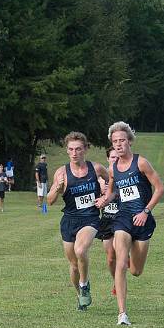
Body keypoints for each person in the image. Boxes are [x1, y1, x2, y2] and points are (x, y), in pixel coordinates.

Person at [96, 121, 164, 326]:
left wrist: (145, 211)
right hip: (123, 218)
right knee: (120, 262)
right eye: (115, 141)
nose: (118, 144)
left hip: (142, 219)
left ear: (129, 141)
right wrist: (105, 200)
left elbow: (160, 188)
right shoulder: (113, 168)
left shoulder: (141, 163)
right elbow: (112, 192)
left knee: (135, 270)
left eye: (122, 140)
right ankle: (122, 314)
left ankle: (127, 266)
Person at [47, 132, 110, 312]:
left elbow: (111, 181)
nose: (75, 153)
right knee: (74, 265)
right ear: (67, 151)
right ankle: (80, 294)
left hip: (90, 219)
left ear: (86, 149)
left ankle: (84, 285)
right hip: (69, 220)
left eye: (78, 149)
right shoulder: (62, 173)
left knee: (81, 250)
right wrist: (57, 189)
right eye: (71, 149)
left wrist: (105, 196)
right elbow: (49, 200)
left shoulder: (96, 168)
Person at [96, 147, 120, 295]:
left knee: (119, 249)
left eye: (117, 157)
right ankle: (116, 283)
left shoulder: (126, 174)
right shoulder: (100, 178)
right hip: (106, 219)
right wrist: (100, 192)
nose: (115, 159)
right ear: (108, 159)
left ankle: (126, 257)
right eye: (112, 157)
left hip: (122, 218)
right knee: (111, 259)